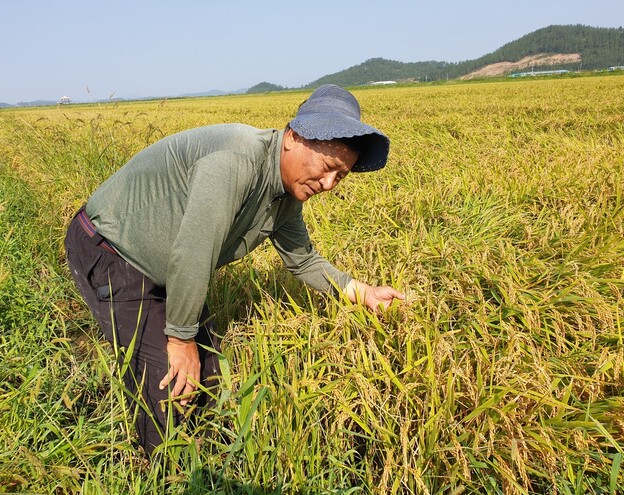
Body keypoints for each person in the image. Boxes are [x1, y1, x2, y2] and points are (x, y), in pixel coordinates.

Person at [65, 84, 405, 456]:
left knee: (210, 376)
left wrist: (364, 292)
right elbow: (195, 251)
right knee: (167, 384)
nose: (328, 185)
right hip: (112, 252)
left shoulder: (286, 195)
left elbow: (303, 259)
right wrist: (180, 340)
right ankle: (163, 471)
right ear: (293, 137)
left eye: (340, 177)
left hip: (168, 267)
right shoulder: (237, 160)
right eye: (327, 168)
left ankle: (205, 463)